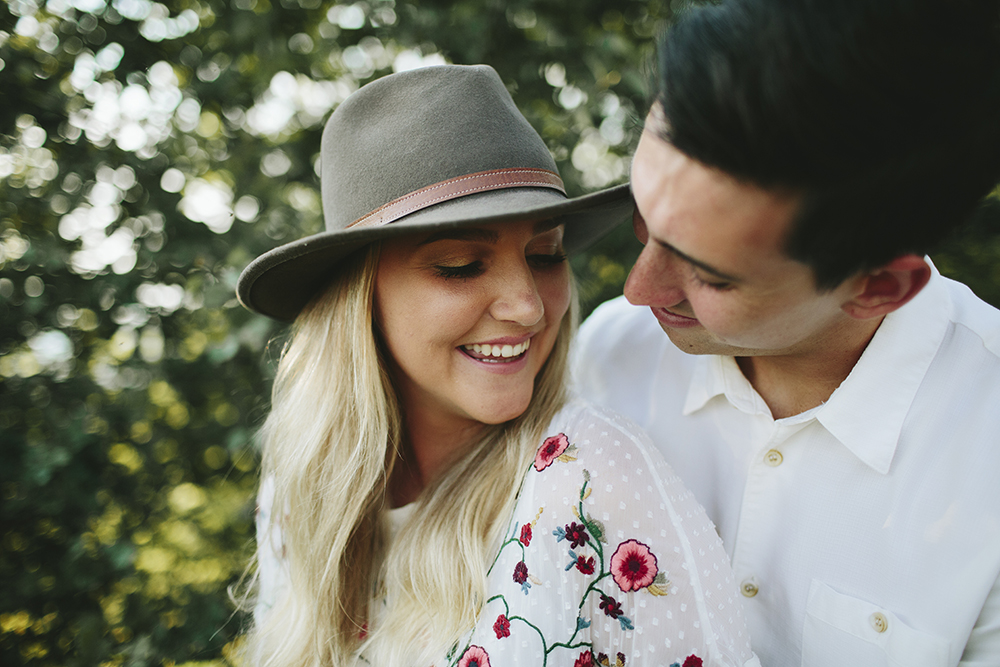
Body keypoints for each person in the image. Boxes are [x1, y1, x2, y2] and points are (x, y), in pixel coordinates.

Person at [237, 65, 759, 667]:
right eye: (460, 265)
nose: (529, 307)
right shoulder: (303, 483)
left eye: (545, 255)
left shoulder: (590, 481)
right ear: (358, 301)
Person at [574, 1, 1000, 665]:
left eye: (712, 278)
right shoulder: (606, 358)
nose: (636, 289)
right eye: (641, 225)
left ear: (877, 286)